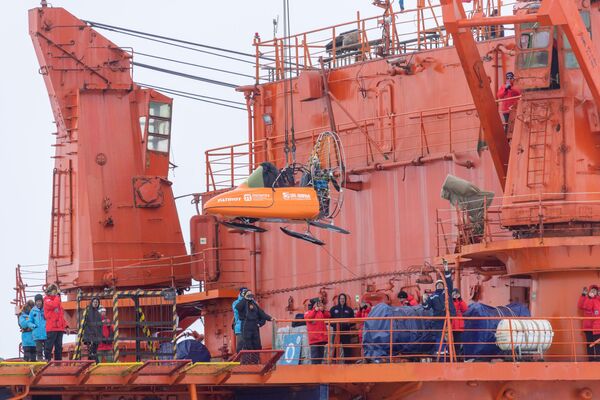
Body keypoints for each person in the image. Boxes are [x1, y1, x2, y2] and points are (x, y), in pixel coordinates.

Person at [424, 260, 456, 354]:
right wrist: (424, 300)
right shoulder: (432, 296)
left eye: (441, 284)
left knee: (448, 334)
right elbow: (426, 307)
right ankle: (441, 350)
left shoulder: (446, 292)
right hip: (438, 318)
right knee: (439, 334)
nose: (439, 286)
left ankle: (448, 351)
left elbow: (449, 281)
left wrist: (446, 269)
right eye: (438, 284)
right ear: (436, 286)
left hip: (448, 316)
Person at [44, 284, 67, 361]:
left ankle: (58, 363)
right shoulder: (47, 300)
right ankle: (47, 361)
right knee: (49, 346)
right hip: (52, 328)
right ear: (50, 292)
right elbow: (54, 305)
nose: (55, 293)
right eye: (54, 291)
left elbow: (61, 316)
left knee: (59, 347)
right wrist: (57, 297)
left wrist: (65, 326)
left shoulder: (57, 301)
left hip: (59, 328)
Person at [329, 293, 355, 362]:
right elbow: (330, 320)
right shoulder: (333, 309)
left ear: (345, 300)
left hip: (346, 332)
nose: (342, 300)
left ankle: (348, 364)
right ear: (338, 299)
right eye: (341, 298)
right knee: (335, 348)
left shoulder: (349, 310)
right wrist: (335, 325)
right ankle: (334, 363)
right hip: (336, 332)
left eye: (343, 299)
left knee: (347, 349)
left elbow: (353, 321)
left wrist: (347, 325)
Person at [305, 298, 331, 364]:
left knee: (320, 359)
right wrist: (315, 310)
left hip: (322, 339)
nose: (319, 304)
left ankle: (318, 373)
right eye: (318, 303)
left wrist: (323, 310)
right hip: (314, 340)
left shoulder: (320, 312)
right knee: (315, 359)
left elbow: (328, 316)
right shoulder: (308, 312)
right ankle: (314, 373)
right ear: (314, 305)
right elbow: (308, 318)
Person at [578, 285, 599, 361]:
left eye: (595, 290)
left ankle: (597, 359)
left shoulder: (597, 300)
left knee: (597, 344)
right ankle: (591, 359)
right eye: (592, 290)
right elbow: (583, 306)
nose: (594, 291)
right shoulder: (587, 299)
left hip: (597, 327)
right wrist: (585, 295)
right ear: (590, 291)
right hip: (588, 326)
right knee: (590, 344)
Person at [82, 297, 103, 362]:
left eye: (97, 302)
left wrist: (99, 336)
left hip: (96, 336)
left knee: (93, 352)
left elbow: (99, 326)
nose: (95, 303)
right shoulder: (87, 311)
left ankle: (91, 365)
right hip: (90, 336)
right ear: (92, 303)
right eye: (94, 302)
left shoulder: (98, 314)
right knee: (92, 352)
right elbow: (84, 323)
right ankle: (97, 363)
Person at [451, 288, 468, 359]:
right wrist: (453, 300)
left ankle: (457, 358)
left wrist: (460, 300)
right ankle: (452, 357)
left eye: (456, 294)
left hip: (458, 326)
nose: (455, 295)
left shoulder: (460, 301)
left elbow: (465, 309)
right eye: (454, 294)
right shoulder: (450, 301)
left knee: (457, 344)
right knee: (451, 344)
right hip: (451, 325)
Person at [30, 294, 47, 361]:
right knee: (39, 350)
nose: (38, 302)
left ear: (42, 301)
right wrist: (33, 326)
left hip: (45, 333)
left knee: (47, 350)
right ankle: (40, 362)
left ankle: (47, 362)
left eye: (40, 301)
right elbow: (29, 321)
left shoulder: (45, 309)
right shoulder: (32, 311)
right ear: (35, 302)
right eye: (37, 301)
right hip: (37, 334)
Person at [232, 287, 248, 353]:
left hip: (250, 327)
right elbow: (238, 311)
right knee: (241, 346)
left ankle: (250, 361)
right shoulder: (235, 303)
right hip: (240, 328)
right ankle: (241, 361)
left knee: (250, 346)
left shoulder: (252, 302)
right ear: (240, 293)